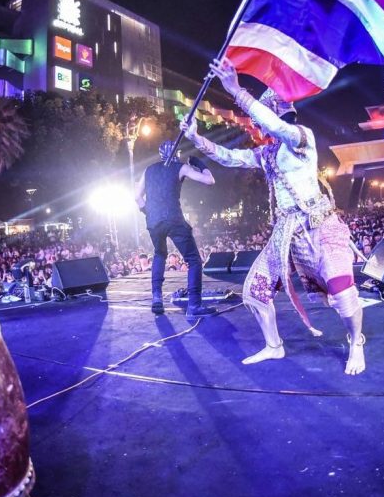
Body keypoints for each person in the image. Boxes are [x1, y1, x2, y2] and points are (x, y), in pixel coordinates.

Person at [181, 58, 366, 375]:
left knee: (342, 292)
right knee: (254, 290)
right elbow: (230, 157)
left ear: (277, 114)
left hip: (320, 226)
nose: (259, 125)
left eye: (263, 116)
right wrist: (196, 139)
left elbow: (277, 127)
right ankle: (273, 345)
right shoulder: (267, 154)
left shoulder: (301, 138)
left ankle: (356, 341)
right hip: (287, 231)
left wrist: (237, 91)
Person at [134, 140, 216, 318]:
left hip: (153, 221)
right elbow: (209, 180)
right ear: (176, 153)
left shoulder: (148, 170)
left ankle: (157, 298)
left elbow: (137, 197)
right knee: (193, 260)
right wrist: (200, 163)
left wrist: (148, 212)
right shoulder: (181, 167)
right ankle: (194, 306)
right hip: (174, 219)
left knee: (159, 254)